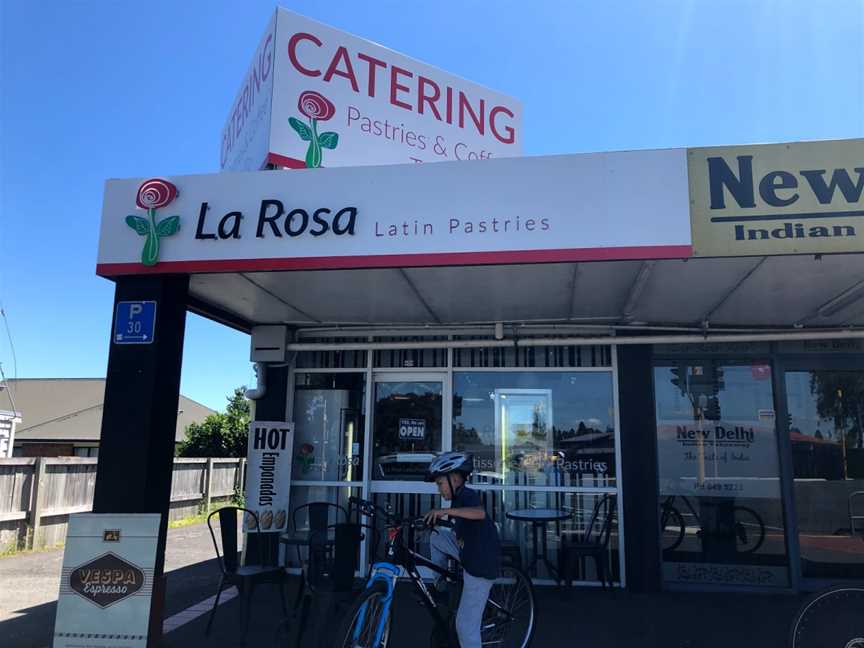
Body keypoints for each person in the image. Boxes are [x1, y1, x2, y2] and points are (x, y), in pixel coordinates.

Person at [423, 451, 501, 648]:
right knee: (437, 536)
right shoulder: (457, 499)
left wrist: (445, 511)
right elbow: (457, 526)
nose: (439, 489)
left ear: (455, 479)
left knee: (465, 627)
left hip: (480, 563)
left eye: (440, 483)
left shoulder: (467, 494)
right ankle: (441, 585)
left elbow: (479, 513)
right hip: (468, 550)